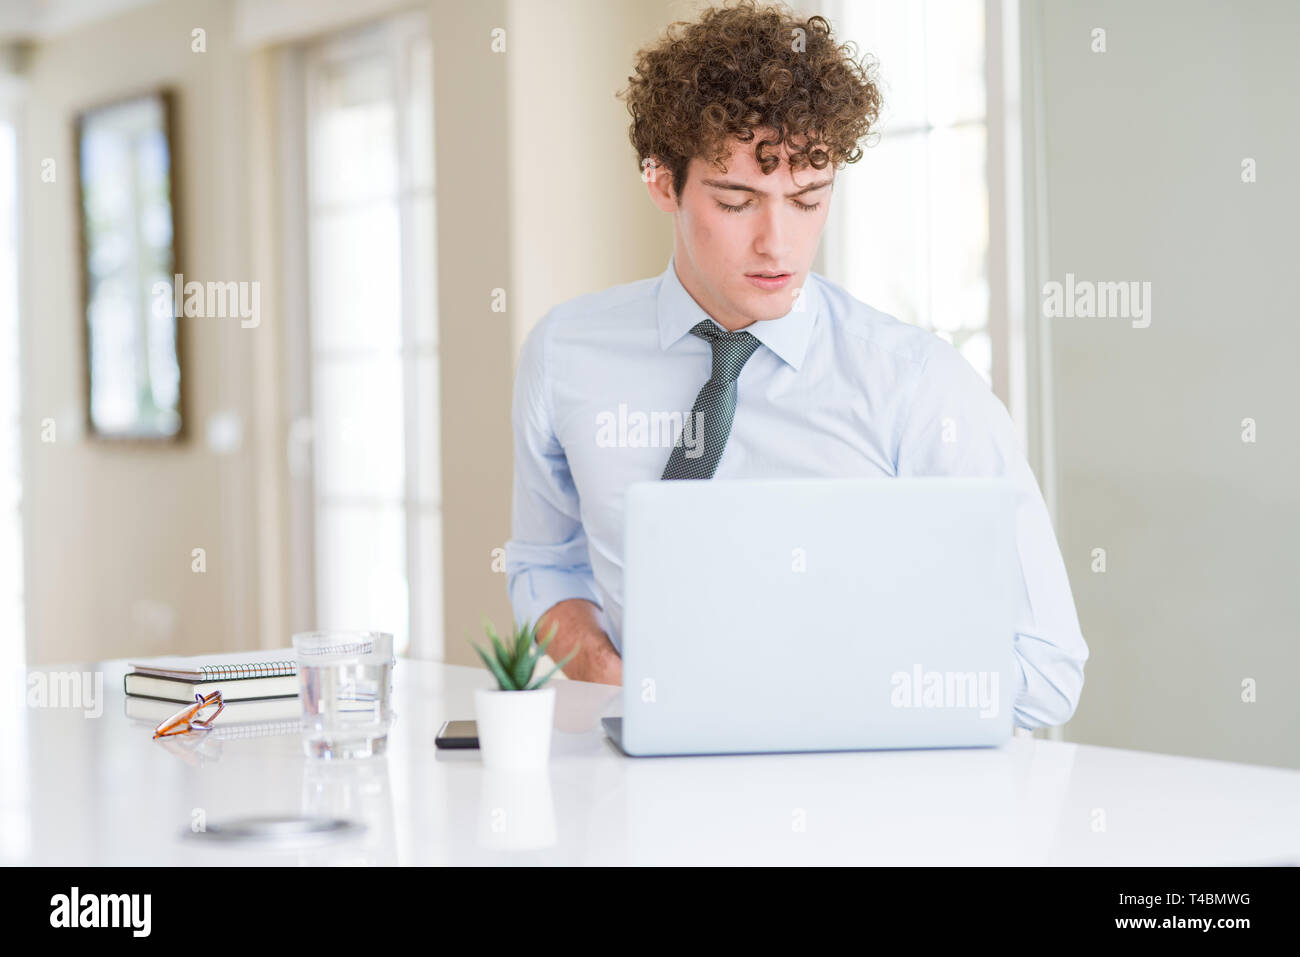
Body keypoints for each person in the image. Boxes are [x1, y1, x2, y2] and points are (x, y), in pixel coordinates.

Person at [504, 0, 1087, 729]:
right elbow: (543, 560)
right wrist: (603, 668)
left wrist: (825, 692)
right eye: (737, 200)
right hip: (639, 798)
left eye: (809, 199)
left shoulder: (917, 385)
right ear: (662, 183)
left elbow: (1046, 665)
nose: (778, 244)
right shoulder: (566, 355)